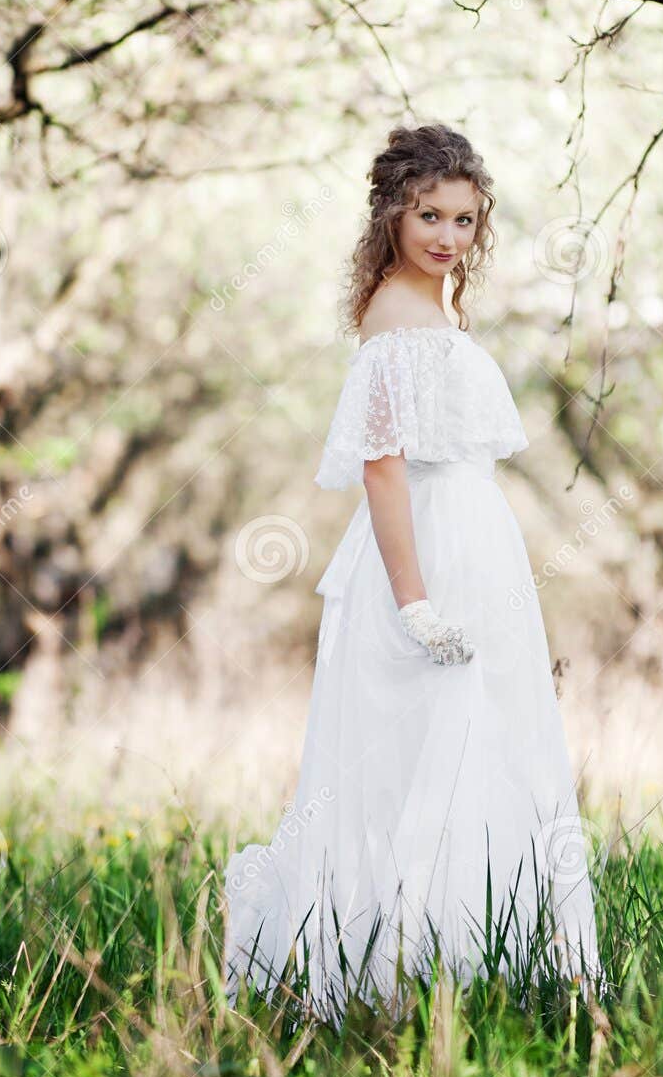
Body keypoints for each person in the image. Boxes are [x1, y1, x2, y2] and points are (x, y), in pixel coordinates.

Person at [224, 122, 605, 1022]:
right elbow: (383, 466)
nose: (445, 235)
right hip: (425, 549)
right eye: (427, 214)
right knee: (419, 750)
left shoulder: (431, 305)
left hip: (474, 536)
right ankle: (395, 972)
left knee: (485, 744)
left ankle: (466, 957)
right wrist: (416, 602)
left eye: (464, 221)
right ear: (391, 213)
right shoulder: (395, 316)